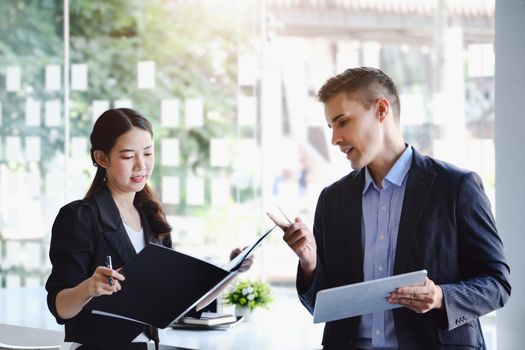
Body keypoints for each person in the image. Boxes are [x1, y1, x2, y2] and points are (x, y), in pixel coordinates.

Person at [268, 67, 511, 349]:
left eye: (342, 121)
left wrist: (441, 296)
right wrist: (309, 263)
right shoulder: (332, 199)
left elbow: (497, 284)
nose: (334, 138)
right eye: (331, 127)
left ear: (381, 110)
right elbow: (321, 306)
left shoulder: (456, 187)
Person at [45, 108, 252, 349]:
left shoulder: (152, 219)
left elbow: (180, 305)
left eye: (148, 153)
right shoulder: (80, 216)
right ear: (102, 158)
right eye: (128, 156)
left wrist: (231, 272)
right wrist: (90, 287)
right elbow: (60, 307)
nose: (141, 165)